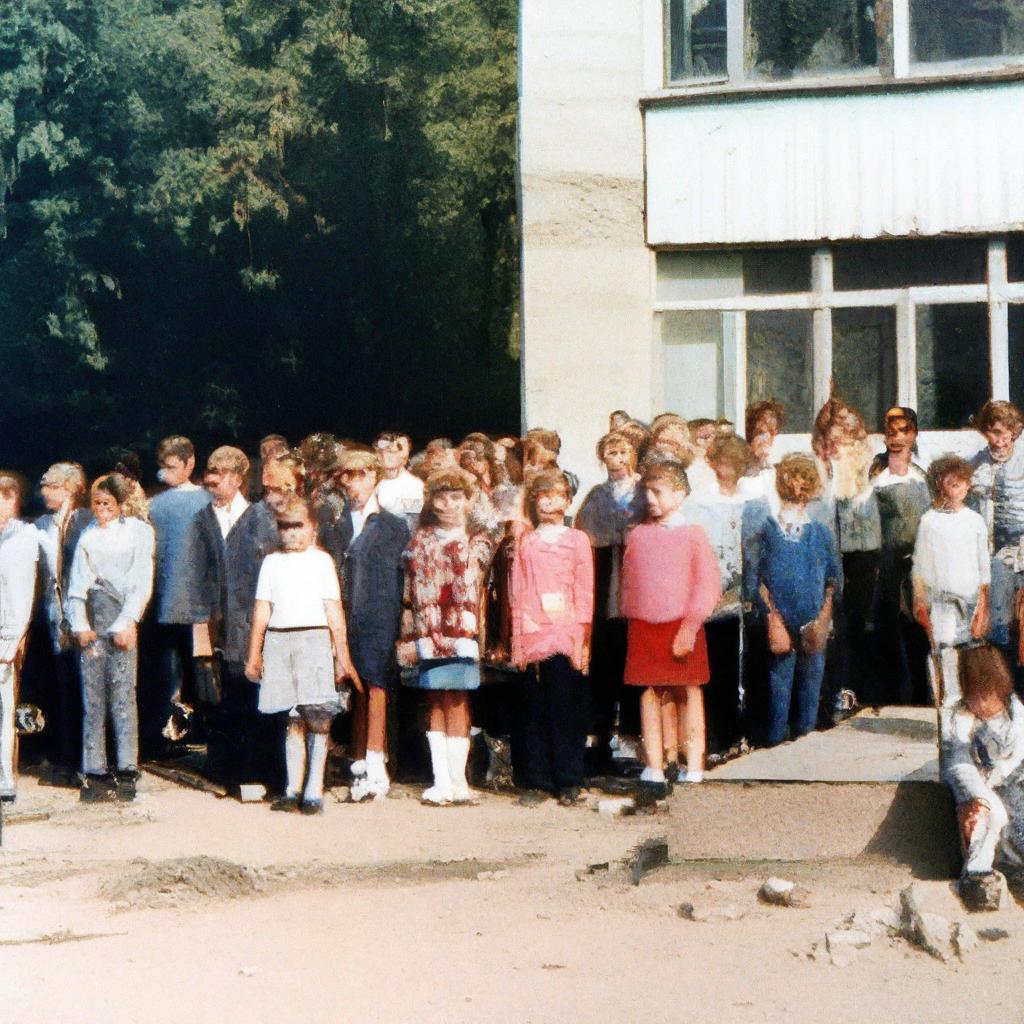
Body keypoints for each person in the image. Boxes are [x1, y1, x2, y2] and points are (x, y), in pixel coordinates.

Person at [245, 495, 359, 814]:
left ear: (312, 527)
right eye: (285, 527)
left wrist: (341, 655)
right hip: (280, 640)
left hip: (314, 639)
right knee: (292, 715)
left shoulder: (322, 562)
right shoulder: (271, 562)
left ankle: (314, 790)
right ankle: (292, 787)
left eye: (298, 526)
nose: (291, 533)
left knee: (318, 714)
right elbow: (262, 610)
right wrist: (255, 653)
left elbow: (333, 610)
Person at [176, 446, 278, 789]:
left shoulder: (260, 519)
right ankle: (223, 767)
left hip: (253, 624)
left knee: (253, 696)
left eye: (217, 472)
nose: (209, 478)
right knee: (216, 697)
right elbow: (193, 576)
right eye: (209, 470)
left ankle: (257, 769)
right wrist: (200, 630)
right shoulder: (201, 520)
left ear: (235, 478)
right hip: (216, 625)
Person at [620, 461, 721, 795]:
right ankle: (656, 765)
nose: (651, 498)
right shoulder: (637, 535)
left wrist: (690, 627)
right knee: (649, 693)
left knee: (689, 693)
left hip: (681, 624)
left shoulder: (694, 535)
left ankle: (693, 765)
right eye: (646, 491)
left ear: (680, 494)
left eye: (658, 491)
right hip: (643, 626)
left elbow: (708, 586)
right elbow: (630, 583)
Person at [398, 468, 497, 805]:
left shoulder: (479, 541)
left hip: (464, 633)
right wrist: (409, 638)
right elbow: (409, 595)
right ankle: (441, 781)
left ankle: (460, 782)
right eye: (441, 497)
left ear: (468, 501)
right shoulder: (418, 542)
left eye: (456, 497)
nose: (448, 504)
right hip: (430, 633)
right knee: (436, 702)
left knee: (459, 701)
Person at [67, 474, 155, 802]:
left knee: (122, 694)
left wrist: (128, 621)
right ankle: (95, 769)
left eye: (108, 504)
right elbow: (77, 584)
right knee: (93, 697)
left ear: (119, 505)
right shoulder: (87, 537)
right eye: (96, 504)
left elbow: (142, 580)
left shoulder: (139, 532)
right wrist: (79, 623)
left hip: (122, 616)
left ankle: (127, 767)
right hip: (94, 615)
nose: (101, 510)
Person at [328, 449, 410, 802]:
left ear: (375, 476)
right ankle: (357, 763)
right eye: (347, 476)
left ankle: (377, 766)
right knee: (354, 691)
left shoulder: (394, 525)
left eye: (361, 475)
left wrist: (402, 621)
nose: (354, 483)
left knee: (376, 687)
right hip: (343, 617)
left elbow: (401, 577)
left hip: (380, 617)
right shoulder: (334, 524)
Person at [511, 469, 594, 807]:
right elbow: (518, 590)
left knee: (566, 706)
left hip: (566, 631)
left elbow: (585, 589)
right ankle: (537, 779)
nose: (548, 501)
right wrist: (518, 637)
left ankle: (569, 779)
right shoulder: (526, 542)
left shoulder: (577, 540)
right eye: (541, 495)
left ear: (567, 500)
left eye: (555, 495)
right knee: (533, 707)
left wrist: (583, 638)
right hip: (533, 631)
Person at [744, 454, 839, 748]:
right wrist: (772, 617)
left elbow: (832, 581)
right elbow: (754, 578)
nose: (797, 487)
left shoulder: (820, 532)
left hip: (813, 619)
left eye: (804, 481)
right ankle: (774, 745)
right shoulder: (767, 531)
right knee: (778, 686)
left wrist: (824, 619)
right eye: (791, 479)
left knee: (811, 687)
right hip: (778, 619)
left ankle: (807, 744)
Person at [575, 430, 645, 762]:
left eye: (623, 451)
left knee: (635, 661)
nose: (617, 458)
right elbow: (586, 533)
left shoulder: (645, 491)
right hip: (603, 589)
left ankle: (632, 735)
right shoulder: (595, 496)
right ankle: (598, 736)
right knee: (603, 663)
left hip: (636, 587)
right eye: (611, 452)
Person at [812, 398, 882, 714]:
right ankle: (833, 689)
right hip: (830, 551)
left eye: (845, 436)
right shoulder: (820, 466)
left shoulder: (866, 462)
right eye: (833, 438)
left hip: (863, 551)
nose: (838, 444)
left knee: (856, 620)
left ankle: (851, 687)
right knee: (833, 621)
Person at [688, 434, 757, 754]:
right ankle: (720, 735)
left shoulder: (754, 498)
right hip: (716, 593)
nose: (728, 469)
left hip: (750, 588)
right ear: (713, 462)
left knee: (749, 663)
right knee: (720, 664)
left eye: (735, 462)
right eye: (723, 461)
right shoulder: (700, 501)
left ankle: (745, 732)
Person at [942, 643, 1024, 907]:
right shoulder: (960, 716)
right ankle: (978, 877)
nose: (980, 704)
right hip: (981, 788)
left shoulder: (1016, 714)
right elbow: (959, 763)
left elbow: (1017, 756)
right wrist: (978, 795)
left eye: (987, 696)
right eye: (974, 696)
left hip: (1013, 783)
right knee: (989, 816)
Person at [145, 436, 212, 755]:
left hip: (198, 603)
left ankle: (201, 730)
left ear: (190, 463)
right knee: (166, 672)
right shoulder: (153, 505)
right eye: (163, 467)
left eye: (173, 467)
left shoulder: (206, 501)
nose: (166, 474)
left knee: (200, 669)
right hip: (163, 600)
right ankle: (167, 733)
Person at [913, 455, 990, 712]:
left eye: (961, 482)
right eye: (950, 483)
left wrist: (983, 605)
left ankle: (970, 706)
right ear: (939, 485)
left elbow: (983, 567)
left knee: (970, 652)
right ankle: (948, 703)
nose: (956, 487)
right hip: (942, 600)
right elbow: (921, 565)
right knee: (944, 648)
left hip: (969, 599)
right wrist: (920, 601)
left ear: (968, 486)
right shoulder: (929, 521)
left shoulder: (975, 521)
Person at [869, 408, 932, 705]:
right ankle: (894, 698)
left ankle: (923, 697)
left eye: (904, 431)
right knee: (890, 630)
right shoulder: (876, 479)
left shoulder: (924, 475)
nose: (897, 438)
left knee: (920, 630)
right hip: (888, 566)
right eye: (891, 432)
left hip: (921, 566)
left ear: (914, 434)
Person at [35, 462, 91, 781]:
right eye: (44, 485)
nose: (45, 491)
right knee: (61, 686)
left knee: (80, 688)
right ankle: (64, 756)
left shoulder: (83, 522)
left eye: (52, 485)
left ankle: (80, 760)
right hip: (53, 617)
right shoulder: (42, 524)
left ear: (69, 488)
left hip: (79, 618)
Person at [970, 400, 1024, 668]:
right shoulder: (977, 464)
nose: (999, 440)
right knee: (998, 619)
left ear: (1014, 432)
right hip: (997, 552)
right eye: (992, 432)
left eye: (1004, 433)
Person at [0, 472, 41, 802]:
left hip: (4, 634)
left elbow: (22, 594)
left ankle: (4, 780)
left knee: (3, 708)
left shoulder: (23, 538)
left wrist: (14, 639)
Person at [374, 431, 424, 530]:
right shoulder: (375, 482)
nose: (386, 456)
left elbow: (413, 522)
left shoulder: (414, 485)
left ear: (403, 458)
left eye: (392, 452)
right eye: (382, 452)